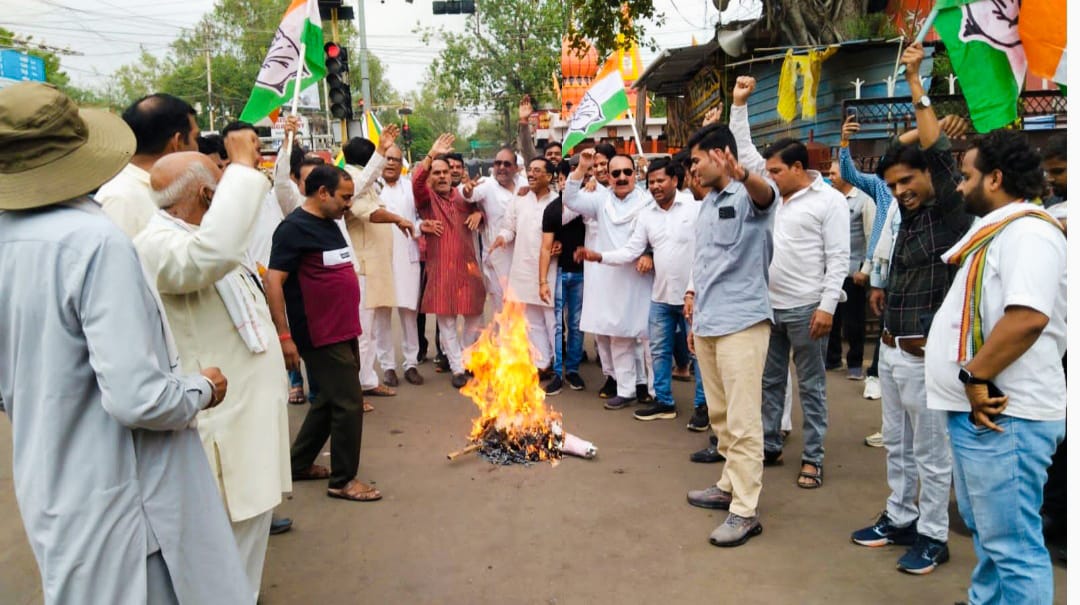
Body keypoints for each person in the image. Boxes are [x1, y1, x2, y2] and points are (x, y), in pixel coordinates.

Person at [0, 81, 250, 603]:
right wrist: (201, 388)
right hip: (133, 505)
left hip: (53, 487)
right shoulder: (94, 242)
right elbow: (140, 399)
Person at [135, 123, 291, 598]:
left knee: (245, 548)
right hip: (223, 427)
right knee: (225, 560)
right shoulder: (159, 244)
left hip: (248, 423)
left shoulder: (193, 234)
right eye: (222, 187)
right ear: (206, 193)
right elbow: (213, 254)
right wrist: (245, 168)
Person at [926, 128, 1066, 604]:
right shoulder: (1001, 232)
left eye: (967, 176)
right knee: (992, 542)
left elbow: (1027, 317)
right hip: (985, 416)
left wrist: (975, 374)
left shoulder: (1029, 232)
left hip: (1005, 414)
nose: (960, 186)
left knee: (1013, 547)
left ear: (996, 178)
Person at [849, 43, 971, 575]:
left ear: (931, 179)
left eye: (908, 181)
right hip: (894, 351)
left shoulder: (950, 212)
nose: (901, 191)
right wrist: (885, 290)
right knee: (896, 447)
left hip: (928, 358)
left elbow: (938, 153)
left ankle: (931, 535)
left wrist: (917, 78)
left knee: (932, 455)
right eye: (894, 185)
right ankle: (898, 518)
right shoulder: (906, 216)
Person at [730, 76, 849, 489]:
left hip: (807, 310)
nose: (771, 176)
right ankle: (769, 444)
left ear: (799, 168)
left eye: (777, 171)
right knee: (770, 381)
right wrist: (739, 105)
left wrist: (827, 307)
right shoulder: (774, 191)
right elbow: (744, 154)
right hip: (769, 306)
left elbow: (839, 259)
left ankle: (813, 458)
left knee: (812, 386)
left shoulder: (829, 202)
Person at [683, 122, 779, 547]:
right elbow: (705, 264)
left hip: (742, 323)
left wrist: (743, 175)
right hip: (708, 323)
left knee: (742, 421)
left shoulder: (749, 194)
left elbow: (766, 196)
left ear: (722, 155)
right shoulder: (706, 204)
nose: (693, 169)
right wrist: (695, 316)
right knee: (721, 417)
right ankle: (727, 485)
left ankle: (745, 511)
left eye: (697, 160)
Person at [266, 165, 383, 503]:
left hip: (344, 327)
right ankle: (343, 480)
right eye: (344, 197)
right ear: (322, 193)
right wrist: (284, 336)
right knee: (349, 403)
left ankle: (298, 463)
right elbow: (273, 282)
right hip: (320, 333)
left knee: (329, 400)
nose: (349, 203)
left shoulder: (330, 223)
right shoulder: (293, 229)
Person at [576, 157, 704, 422]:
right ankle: (663, 401)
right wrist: (599, 256)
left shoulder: (694, 208)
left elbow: (705, 252)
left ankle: (703, 407)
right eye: (653, 181)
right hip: (660, 294)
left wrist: (692, 289)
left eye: (661, 180)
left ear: (675, 181)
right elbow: (631, 249)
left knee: (699, 352)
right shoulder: (648, 215)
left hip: (693, 294)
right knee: (658, 349)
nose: (656, 186)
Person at [564, 151, 654, 409]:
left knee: (648, 337)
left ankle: (654, 392)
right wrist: (581, 168)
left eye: (627, 172)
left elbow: (659, 235)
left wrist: (649, 254)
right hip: (612, 277)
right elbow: (570, 198)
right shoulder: (600, 202)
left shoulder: (648, 201)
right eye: (616, 173)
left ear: (635, 173)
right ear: (609, 177)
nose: (622, 177)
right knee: (619, 334)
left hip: (642, 275)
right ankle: (625, 390)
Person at [340, 129, 416, 399]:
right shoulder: (351, 182)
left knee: (369, 330)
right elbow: (367, 212)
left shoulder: (360, 182)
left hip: (371, 267)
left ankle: (367, 380)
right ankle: (357, 387)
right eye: (379, 157)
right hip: (362, 267)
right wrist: (398, 219)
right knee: (363, 331)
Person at [413, 134, 487, 388]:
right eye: (437, 173)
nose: (442, 176)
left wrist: (478, 212)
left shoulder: (463, 195)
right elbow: (416, 181)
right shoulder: (426, 199)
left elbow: (483, 210)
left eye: (445, 172)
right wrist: (431, 154)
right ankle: (457, 368)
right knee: (446, 323)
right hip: (441, 269)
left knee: (474, 319)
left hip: (468, 269)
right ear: (431, 177)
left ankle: (468, 361)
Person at [96, 92, 200, 238]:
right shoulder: (120, 199)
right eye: (196, 138)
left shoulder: (163, 191)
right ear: (178, 142)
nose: (198, 148)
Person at [491, 157, 560, 367]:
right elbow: (509, 227)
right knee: (532, 321)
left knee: (552, 321)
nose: (531, 174)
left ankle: (559, 365)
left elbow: (567, 231)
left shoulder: (557, 201)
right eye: (530, 170)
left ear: (549, 177)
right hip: (522, 267)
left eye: (537, 170)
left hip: (548, 269)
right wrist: (502, 237)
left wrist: (561, 243)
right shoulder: (518, 200)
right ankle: (543, 363)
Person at [376, 143, 426, 386]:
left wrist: (417, 228)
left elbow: (419, 219)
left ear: (401, 164)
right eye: (387, 158)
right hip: (381, 259)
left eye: (396, 159)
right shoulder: (372, 188)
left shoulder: (410, 188)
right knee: (382, 313)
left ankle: (411, 363)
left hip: (407, 256)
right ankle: (387, 366)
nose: (391, 162)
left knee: (409, 313)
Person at [539, 159, 588, 394]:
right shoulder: (551, 210)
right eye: (561, 178)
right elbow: (545, 247)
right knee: (558, 326)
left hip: (584, 273)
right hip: (559, 273)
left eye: (569, 179)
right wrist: (542, 281)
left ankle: (574, 371)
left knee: (578, 325)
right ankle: (558, 373)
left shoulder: (589, 205)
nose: (564, 183)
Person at [825, 160, 875, 379]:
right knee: (830, 318)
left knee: (854, 322)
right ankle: (832, 359)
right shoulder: (829, 198)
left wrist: (865, 269)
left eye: (834, 173)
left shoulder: (864, 200)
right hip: (831, 270)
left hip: (853, 272)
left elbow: (871, 235)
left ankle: (855, 365)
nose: (830, 177)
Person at [469, 146, 520, 312]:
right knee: (502, 313)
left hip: (522, 258)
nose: (502, 167)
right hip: (497, 259)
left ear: (516, 168)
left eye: (507, 164)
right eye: (498, 163)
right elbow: (468, 195)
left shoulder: (524, 183)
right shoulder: (487, 184)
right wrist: (468, 191)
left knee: (522, 314)